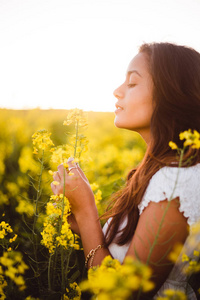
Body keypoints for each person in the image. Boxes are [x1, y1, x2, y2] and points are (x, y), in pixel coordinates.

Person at [51, 42, 200, 299]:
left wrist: (86, 212)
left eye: (132, 83)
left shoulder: (175, 180)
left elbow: (122, 293)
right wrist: (85, 226)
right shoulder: (163, 170)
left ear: (170, 94)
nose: (117, 91)